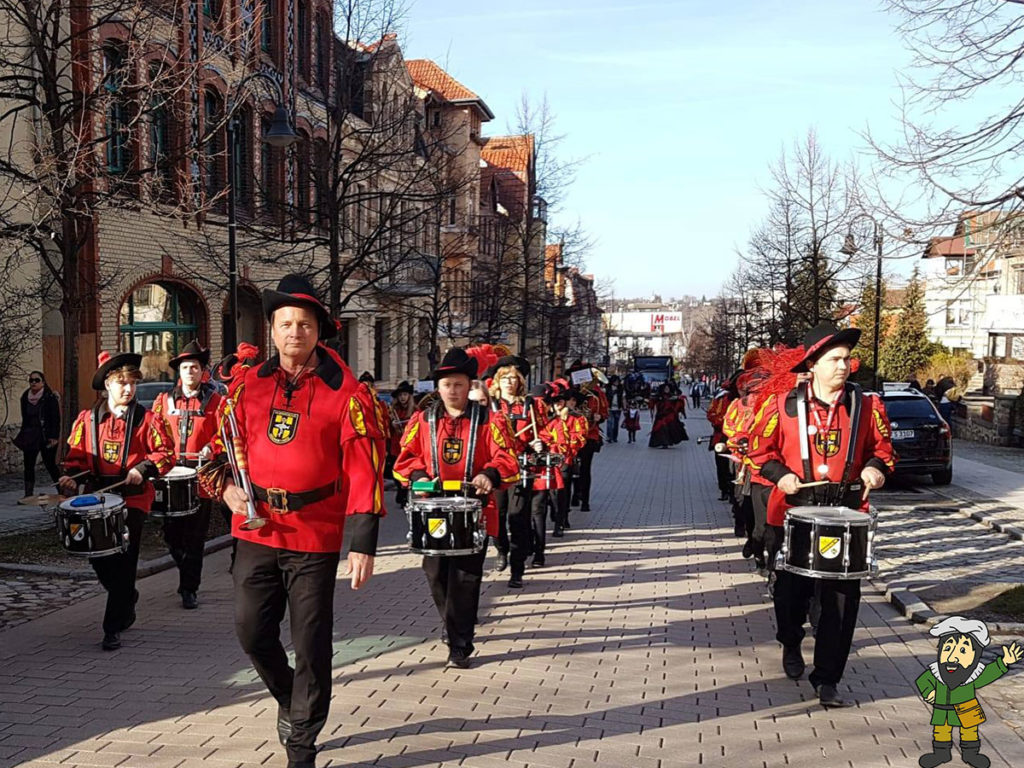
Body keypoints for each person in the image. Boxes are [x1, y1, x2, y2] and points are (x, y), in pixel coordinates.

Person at [217, 274, 387, 768]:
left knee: (311, 640)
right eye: (285, 322)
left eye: (304, 324)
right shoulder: (247, 387)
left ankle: (303, 742)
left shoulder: (348, 393)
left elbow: (365, 469)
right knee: (251, 632)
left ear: (320, 331)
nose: (294, 331)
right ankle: (294, 699)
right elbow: (218, 450)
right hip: (255, 528)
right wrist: (224, 487)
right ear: (272, 329)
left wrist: (363, 539)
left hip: (315, 532)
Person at [746, 322, 894, 708]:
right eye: (835, 359)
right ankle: (791, 640)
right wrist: (782, 477)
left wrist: (875, 468)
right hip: (793, 512)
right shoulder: (782, 404)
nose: (843, 366)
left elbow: (883, 449)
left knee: (842, 601)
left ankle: (828, 678)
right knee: (790, 593)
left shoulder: (867, 406)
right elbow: (759, 453)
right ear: (812, 364)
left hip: (846, 513)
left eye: (847, 359)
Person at [393, 348, 520, 666]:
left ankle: (460, 643)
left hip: (471, 510)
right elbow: (405, 459)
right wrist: (420, 474)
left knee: (466, 576)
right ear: (438, 387)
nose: (452, 389)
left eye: (459, 384)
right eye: (447, 384)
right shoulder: (423, 420)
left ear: (469, 385)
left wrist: (489, 473)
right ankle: (453, 624)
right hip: (433, 510)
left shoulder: (490, 420)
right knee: (434, 573)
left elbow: (507, 459)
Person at [58, 351, 175, 650]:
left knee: (124, 559)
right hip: (97, 499)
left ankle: (112, 628)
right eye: (121, 383)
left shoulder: (146, 419)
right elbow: (76, 458)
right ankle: (126, 595)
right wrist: (71, 477)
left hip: (133, 500)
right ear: (107, 385)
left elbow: (165, 453)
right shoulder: (88, 419)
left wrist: (143, 468)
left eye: (132, 383)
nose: (128, 389)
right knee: (100, 559)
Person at [151, 341, 223, 609]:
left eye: (195, 367)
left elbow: (225, 433)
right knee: (171, 535)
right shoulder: (163, 401)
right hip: (171, 477)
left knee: (195, 536)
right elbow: (154, 430)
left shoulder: (216, 401)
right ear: (178, 372)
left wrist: (212, 446)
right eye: (185, 367)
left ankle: (189, 587)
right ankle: (185, 570)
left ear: (203, 371)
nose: (190, 372)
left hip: (200, 477)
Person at [485, 356, 536, 586]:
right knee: (497, 515)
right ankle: (501, 550)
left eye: (513, 378)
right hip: (496, 469)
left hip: (521, 467)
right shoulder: (488, 406)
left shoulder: (530, 405)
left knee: (519, 519)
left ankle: (517, 569)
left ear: (520, 381)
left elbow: (543, 431)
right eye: (504, 377)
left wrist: (539, 443)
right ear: (497, 380)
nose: (509, 382)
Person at [15, 371, 61, 497]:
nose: (34, 383)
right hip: (30, 435)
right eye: (31, 380)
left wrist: (54, 437)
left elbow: (55, 418)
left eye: (37, 380)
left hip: (45, 435)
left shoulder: (49, 397)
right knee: (28, 465)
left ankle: (62, 490)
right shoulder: (25, 397)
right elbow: (25, 417)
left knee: (50, 464)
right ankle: (28, 493)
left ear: (43, 382)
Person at [387, 381, 418, 509]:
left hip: (409, 446)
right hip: (395, 446)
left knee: (408, 472)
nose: (402, 398)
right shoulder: (393, 410)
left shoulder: (415, 410)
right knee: (395, 471)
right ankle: (401, 491)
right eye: (400, 395)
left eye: (405, 395)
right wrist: (391, 424)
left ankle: (404, 493)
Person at [605, 375, 624, 443]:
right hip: (610, 408)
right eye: (615, 381)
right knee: (610, 423)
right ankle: (609, 437)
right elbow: (606, 397)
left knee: (616, 424)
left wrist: (623, 407)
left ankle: (614, 437)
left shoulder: (620, 388)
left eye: (618, 381)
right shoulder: (608, 388)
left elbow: (622, 398)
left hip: (618, 408)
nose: (617, 382)